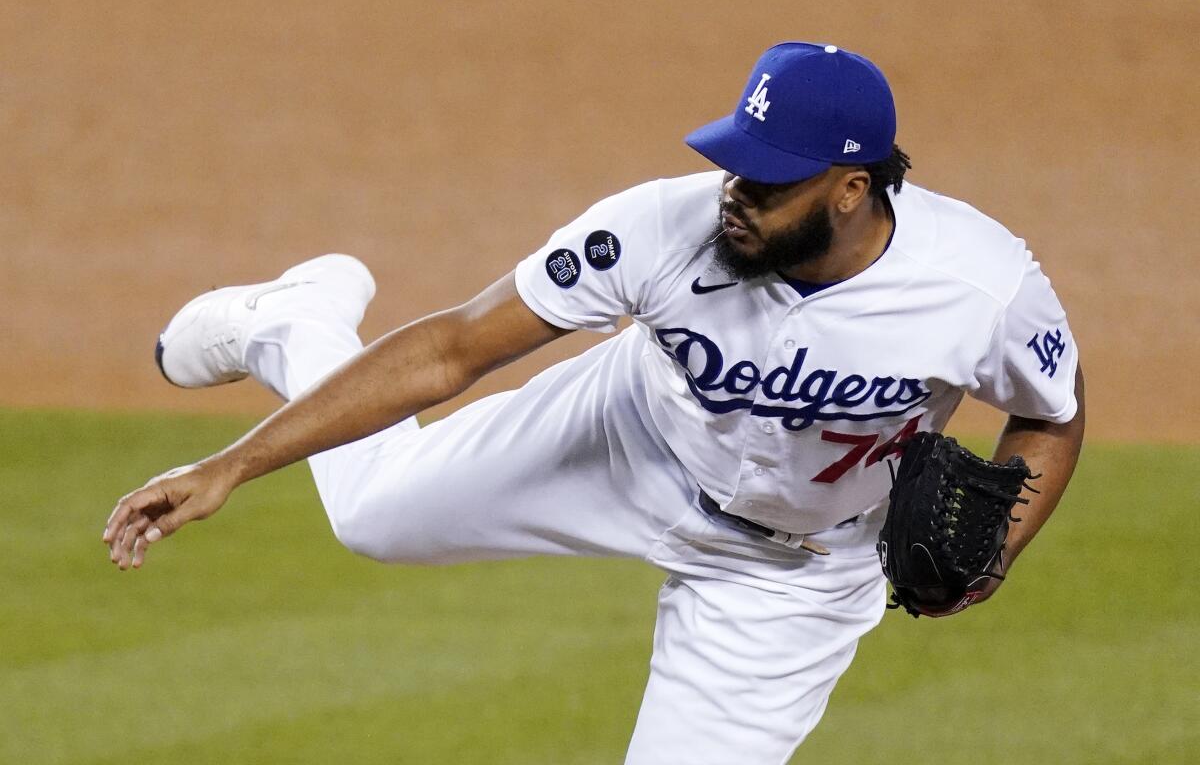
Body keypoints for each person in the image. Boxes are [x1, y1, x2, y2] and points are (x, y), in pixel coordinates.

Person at [103, 42, 1085, 764]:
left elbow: (1053, 410)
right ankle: (301, 322)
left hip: (789, 580)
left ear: (849, 188)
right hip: (622, 439)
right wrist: (228, 464)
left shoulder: (979, 284)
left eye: (771, 181)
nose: (735, 192)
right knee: (368, 514)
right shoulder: (660, 228)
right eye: (736, 161)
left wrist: (998, 549)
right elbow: (452, 348)